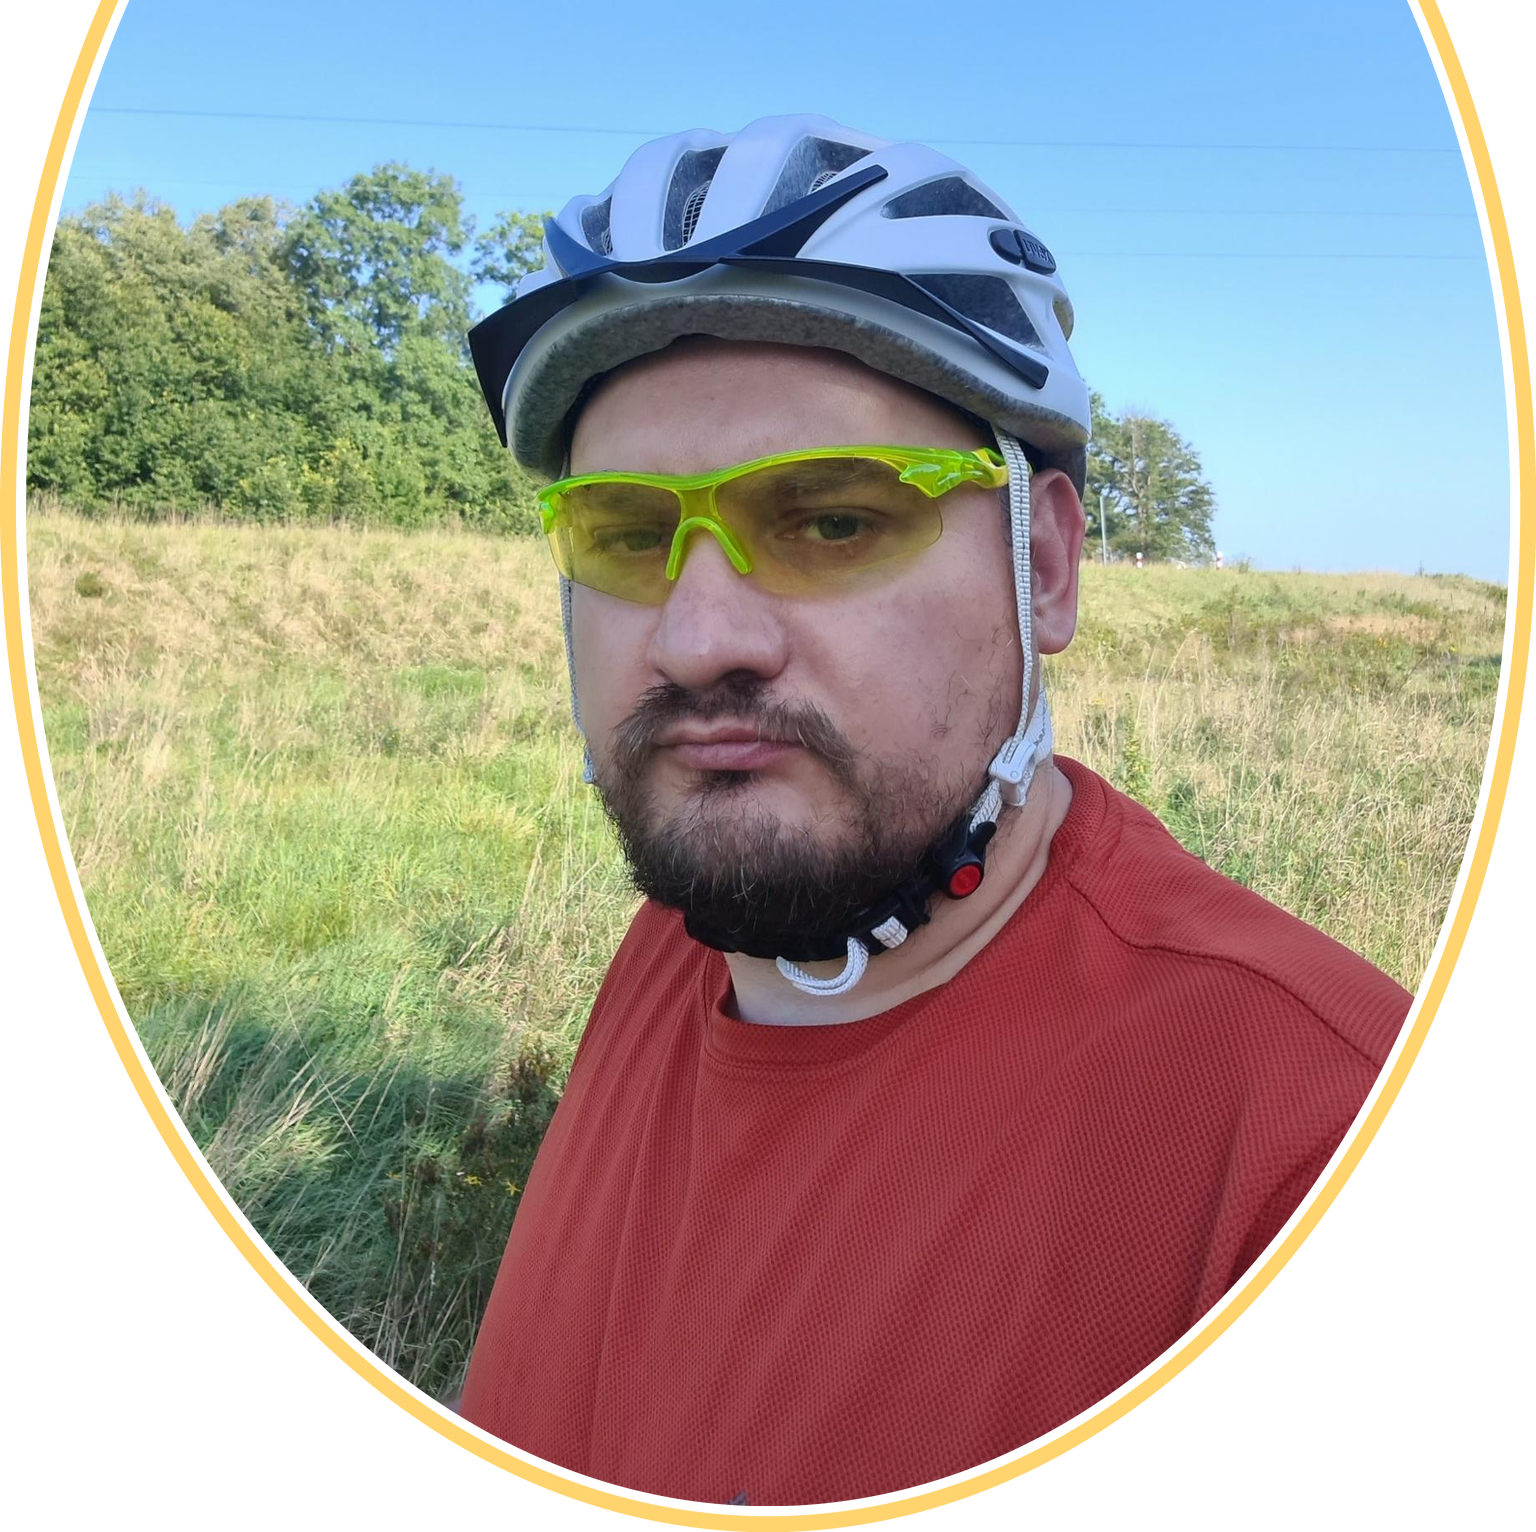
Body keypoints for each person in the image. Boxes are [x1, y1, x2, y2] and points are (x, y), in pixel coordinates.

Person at [458, 114, 1410, 1505]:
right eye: (629, 535)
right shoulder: (687, 938)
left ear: (1047, 570)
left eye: (834, 521)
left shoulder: (1315, 1140)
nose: (698, 638)